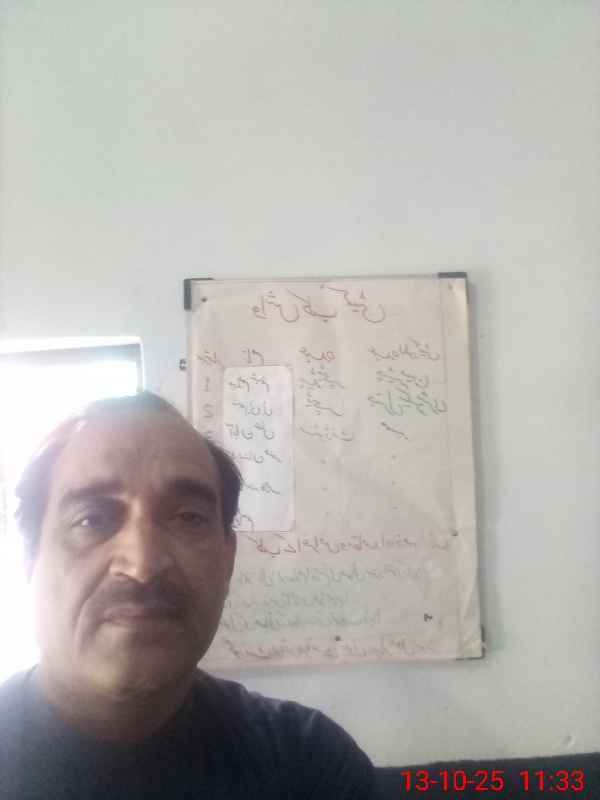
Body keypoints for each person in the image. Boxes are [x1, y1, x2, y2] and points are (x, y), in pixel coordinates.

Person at [0, 392, 376, 799]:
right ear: (28, 557)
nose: (142, 564)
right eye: (92, 519)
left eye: (188, 517)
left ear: (228, 558)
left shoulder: (311, 763)